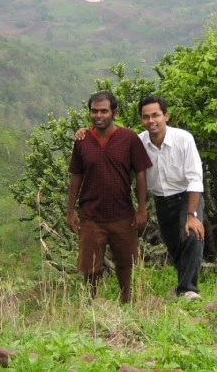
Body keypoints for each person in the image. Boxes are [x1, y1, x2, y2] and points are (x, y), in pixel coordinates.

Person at [76, 94, 206, 300]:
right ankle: (182, 286)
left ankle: (188, 289)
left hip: (187, 197)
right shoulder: (138, 141)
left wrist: (192, 214)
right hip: (161, 200)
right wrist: (84, 132)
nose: (151, 121)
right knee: (174, 244)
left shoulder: (183, 139)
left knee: (191, 236)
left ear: (166, 116)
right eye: (146, 117)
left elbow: (195, 178)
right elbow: (109, 138)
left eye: (156, 115)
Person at [67, 90, 152, 304]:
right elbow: (76, 176)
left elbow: (140, 172)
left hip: (122, 213)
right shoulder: (83, 140)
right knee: (90, 265)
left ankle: (126, 298)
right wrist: (70, 212)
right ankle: (91, 301)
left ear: (114, 112)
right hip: (91, 214)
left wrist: (142, 208)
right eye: (94, 111)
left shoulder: (129, 138)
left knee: (125, 261)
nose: (99, 116)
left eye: (104, 111)